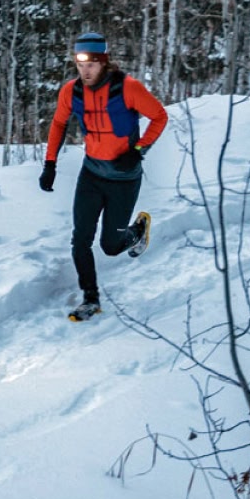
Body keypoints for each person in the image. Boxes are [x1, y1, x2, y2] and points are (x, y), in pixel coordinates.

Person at [39, 31, 168, 321]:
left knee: (110, 247)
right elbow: (59, 124)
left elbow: (160, 116)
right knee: (80, 240)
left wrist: (139, 150)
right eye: (80, 63)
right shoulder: (71, 92)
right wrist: (50, 164)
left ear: (104, 62)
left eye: (91, 64)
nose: (85, 70)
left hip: (124, 178)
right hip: (92, 174)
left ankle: (137, 231)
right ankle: (91, 299)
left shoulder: (128, 88)